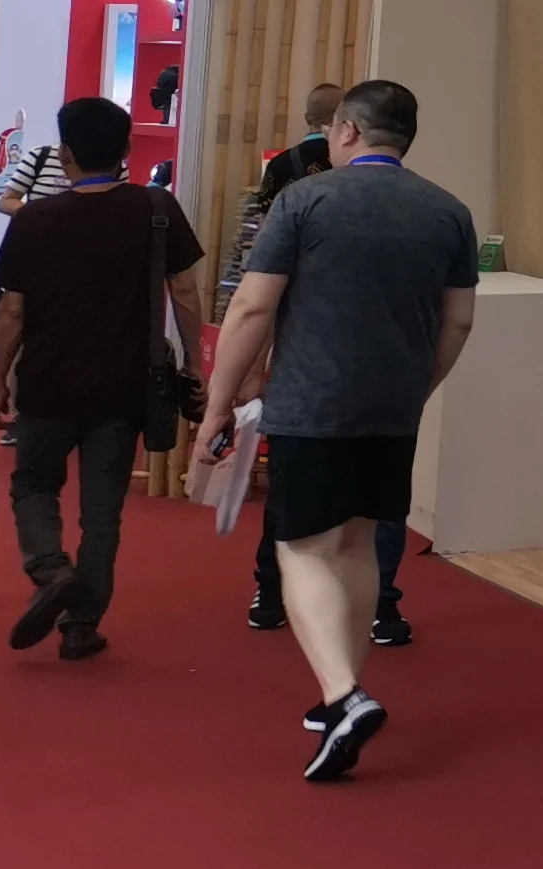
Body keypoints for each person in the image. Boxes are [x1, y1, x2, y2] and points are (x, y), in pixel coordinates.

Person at [197, 77, 479, 784]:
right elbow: (459, 322)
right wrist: (416, 388)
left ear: (347, 130)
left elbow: (253, 309)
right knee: (357, 543)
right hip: (393, 410)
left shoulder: (304, 199)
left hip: (312, 405)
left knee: (300, 550)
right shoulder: (448, 212)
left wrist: (218, 404)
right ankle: (338, 699)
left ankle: (345, 694)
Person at [0, 96, 204, 661]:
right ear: (126, 149)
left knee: (34, 485)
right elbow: (183, 290)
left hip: (47, 383)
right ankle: (81, 627)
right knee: (102, 513)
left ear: (66, 154)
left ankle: (51, 569)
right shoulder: (156, 209)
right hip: (124, 389)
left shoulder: (35, 219)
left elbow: (12, 310)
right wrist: (192, 365)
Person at [230, 83, 411, 645]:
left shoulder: (291, 184)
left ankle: (273, 593)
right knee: (379, 503)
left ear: (344, 128)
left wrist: (242, 376)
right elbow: (453, 318)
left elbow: (260, 293)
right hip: (390, 380)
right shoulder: (432, 206)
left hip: (305, 372)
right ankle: (379, 606)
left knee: (293, 493)